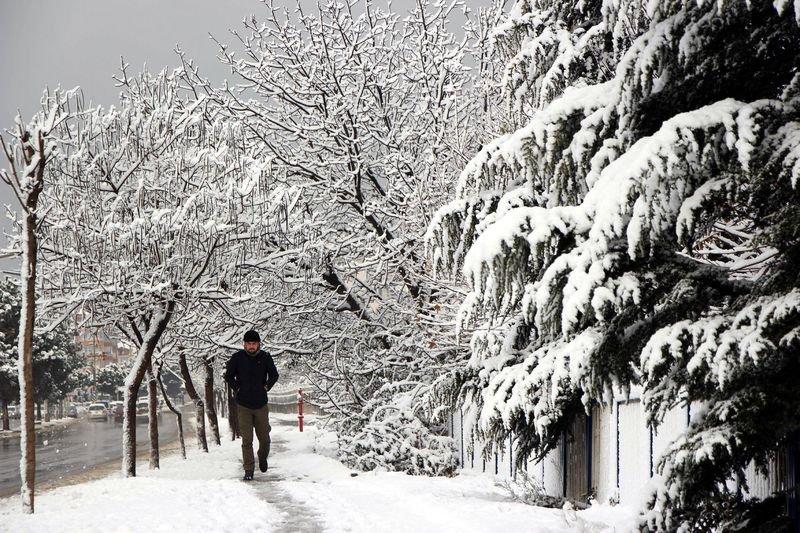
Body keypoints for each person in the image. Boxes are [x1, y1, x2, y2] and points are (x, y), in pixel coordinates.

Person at [223, 329, 279, 481]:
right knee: (247, 440)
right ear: (244, 344)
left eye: (254, 343)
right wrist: (237, 388)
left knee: (264, 439)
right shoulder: (237, 358)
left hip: (261, 404)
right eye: (249, 343)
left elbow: (274, 375)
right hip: (244, 405)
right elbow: (228, 375)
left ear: (258, 344)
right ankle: (248, 469)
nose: (252, 346)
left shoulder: (265, 357)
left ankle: (262, 456)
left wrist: (267, 386)